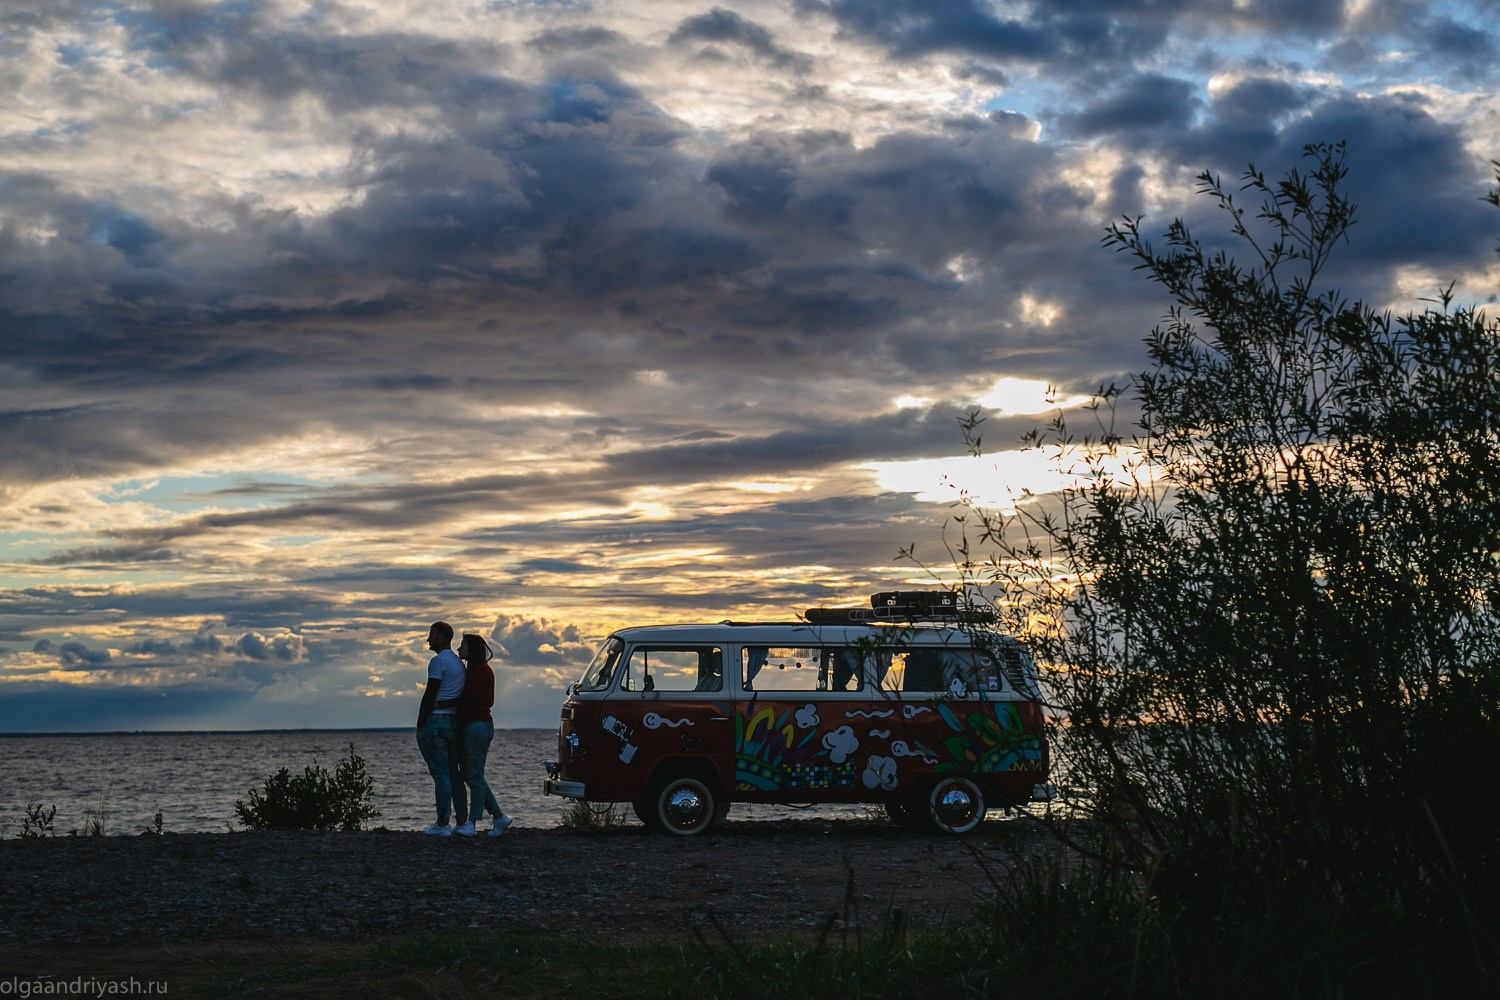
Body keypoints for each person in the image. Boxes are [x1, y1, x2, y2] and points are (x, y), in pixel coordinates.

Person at [456, 632, 513, 837]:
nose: (459, 649)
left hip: (477, 726)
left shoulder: (481, 671)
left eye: (463, 646)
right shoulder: (476, 671)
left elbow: (469, 697)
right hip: (473, 726)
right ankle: (498, 817)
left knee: (474, 776)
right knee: (473, 775)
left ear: (473, 650)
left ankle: (472, 823)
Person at [416, 620, 468, 836]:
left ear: (441, 636)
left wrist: (420, 724)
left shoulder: (438, 662)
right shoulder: (459, 664)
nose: (428, 639)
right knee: (453, 773)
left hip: (436, 722)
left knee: (440, 774)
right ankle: (462, 821)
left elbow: (430, 693)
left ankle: (442, 823)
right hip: (453, 723)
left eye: (431, 634)